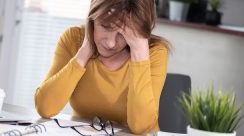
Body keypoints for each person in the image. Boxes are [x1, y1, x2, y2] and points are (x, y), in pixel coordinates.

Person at [34, 0, 170, 134]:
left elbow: (141, 127)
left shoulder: (154, 52)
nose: (111, 43)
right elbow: (45, 108)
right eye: (105, 26)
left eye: (123, 34)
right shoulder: (73, 39)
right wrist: (84, 52)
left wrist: (140, 53)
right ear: (92, 17)